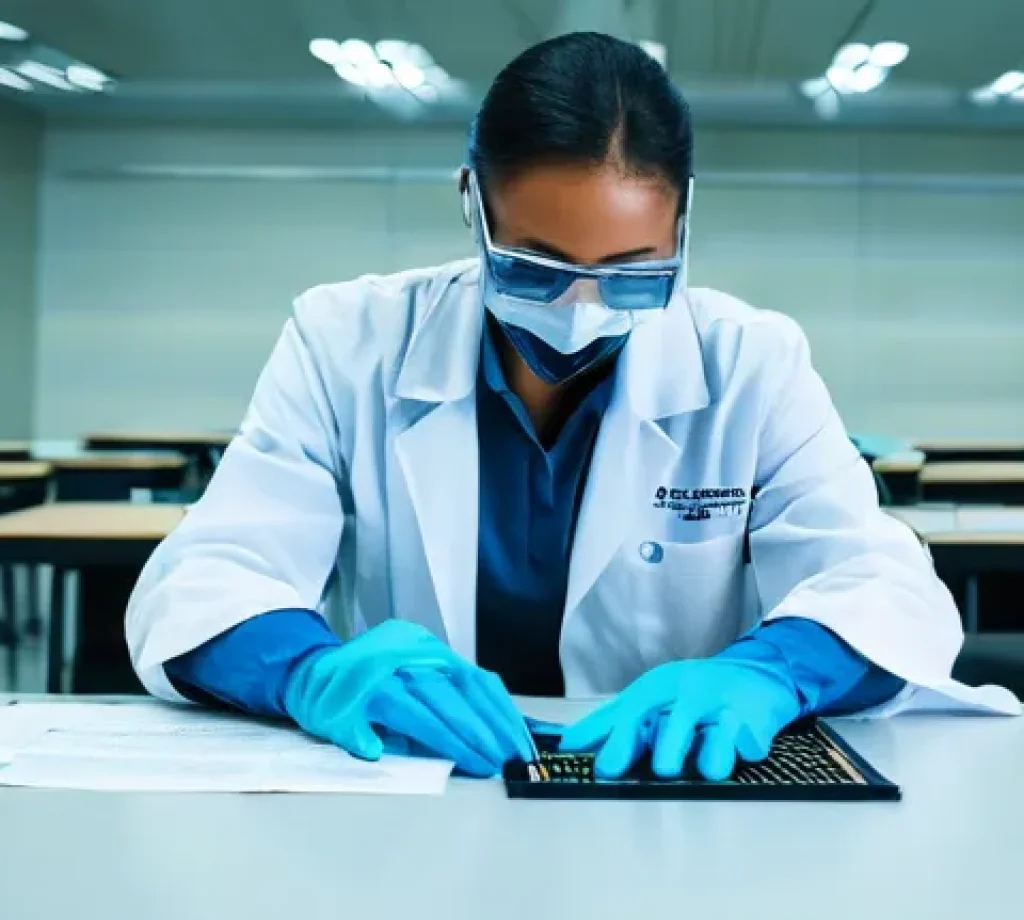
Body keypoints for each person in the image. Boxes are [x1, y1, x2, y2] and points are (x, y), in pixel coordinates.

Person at [126, 32, 1018, 782]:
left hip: (666, 791)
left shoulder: (750, 362)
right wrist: (309, 670)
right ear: (473, 203)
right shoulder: (346, 339)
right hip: (412, 784)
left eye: (634, 273)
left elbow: (883, 585)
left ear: (683, 224)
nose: (579, 312)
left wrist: (773, 672)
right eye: (536, 268)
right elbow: (208, 579)